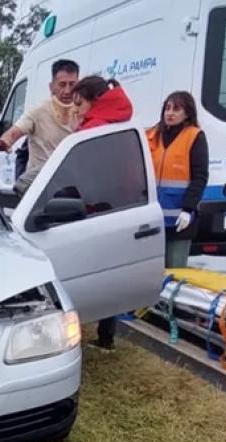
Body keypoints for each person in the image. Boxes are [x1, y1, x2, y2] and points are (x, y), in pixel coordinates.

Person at [72, 75, 134, 351]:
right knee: (109, 275)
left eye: (79, 103)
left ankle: (75, 333)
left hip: (92, 210)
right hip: (120, 210)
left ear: (94, 101)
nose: (75, 108)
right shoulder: (121, 123)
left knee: (86, 273)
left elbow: (75, 173)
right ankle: (106, 335)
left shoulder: (92, 129)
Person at [0, 59, 80, 195]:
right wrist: (2, 142)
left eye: (72, 84)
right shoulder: (38, 112)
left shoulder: (83, 111)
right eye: (62, 85)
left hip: (72, 185)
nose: (67, 91)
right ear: (51, 87)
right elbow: (15, 132)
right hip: (41, 188)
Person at [146, 92, 209, 268]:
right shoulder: (152, 135)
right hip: (153, 218)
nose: (170, 113)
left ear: (187, 113)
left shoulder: (194, 136)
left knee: (175, 271)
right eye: (167, 108)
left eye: (176, 109)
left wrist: (189, 209)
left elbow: (200, 177)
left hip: (179, 220)